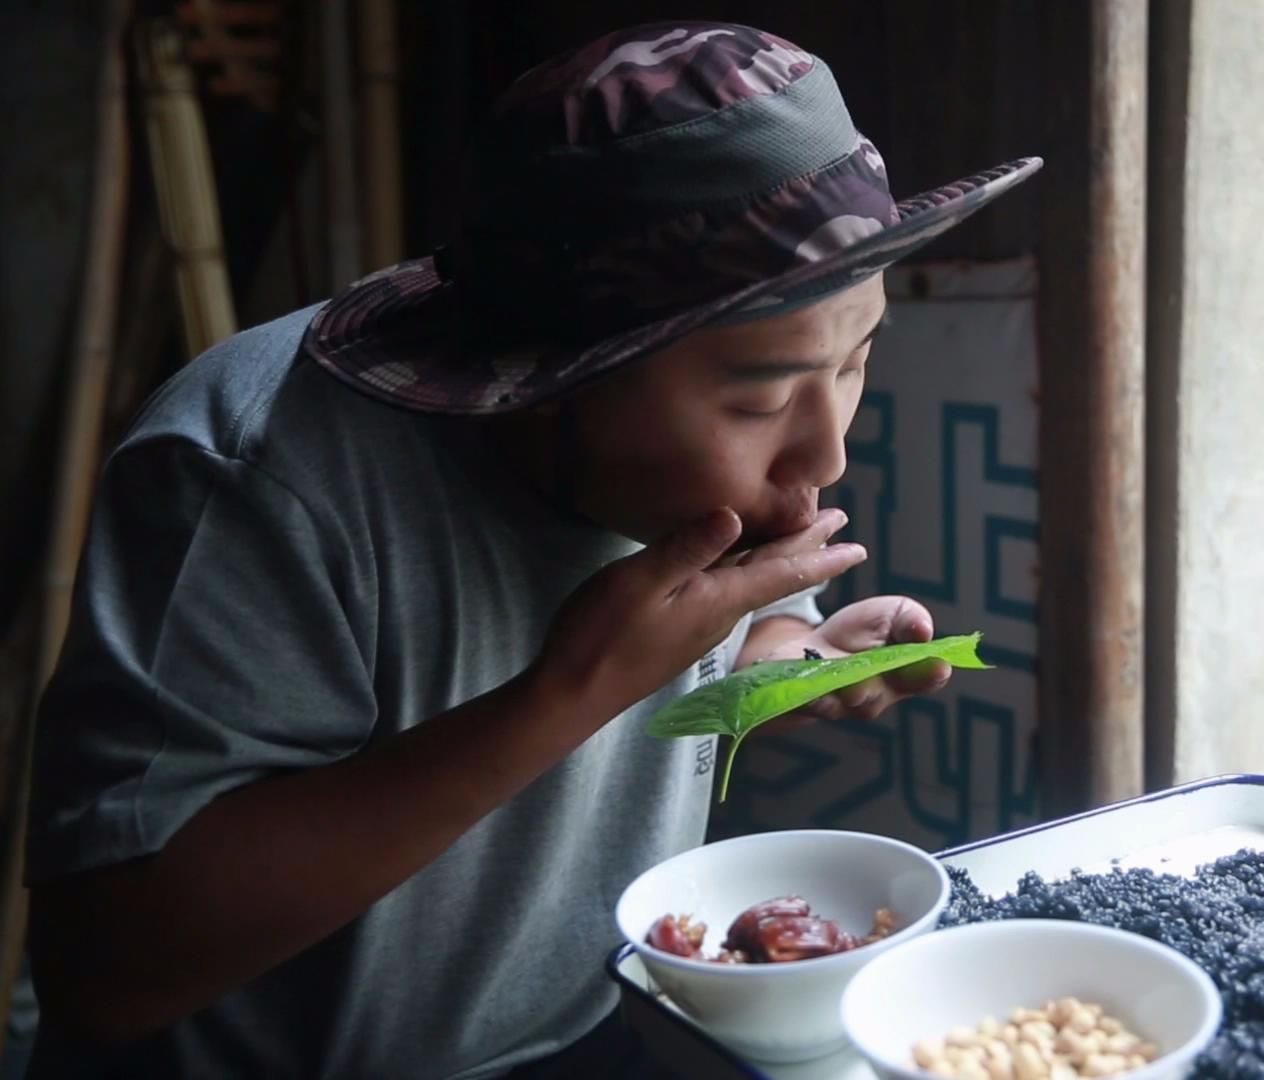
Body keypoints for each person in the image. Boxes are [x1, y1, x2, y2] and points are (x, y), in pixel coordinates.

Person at [22, 20, 1039, 1079]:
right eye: (763, 395)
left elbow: (667, 669)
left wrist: (789, 661)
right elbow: (108, 966)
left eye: (855, 362)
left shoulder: (674, 470)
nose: (825, 452)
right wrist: (569, 691)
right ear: (561, 373)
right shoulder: (257, 473)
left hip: (584, 1031)